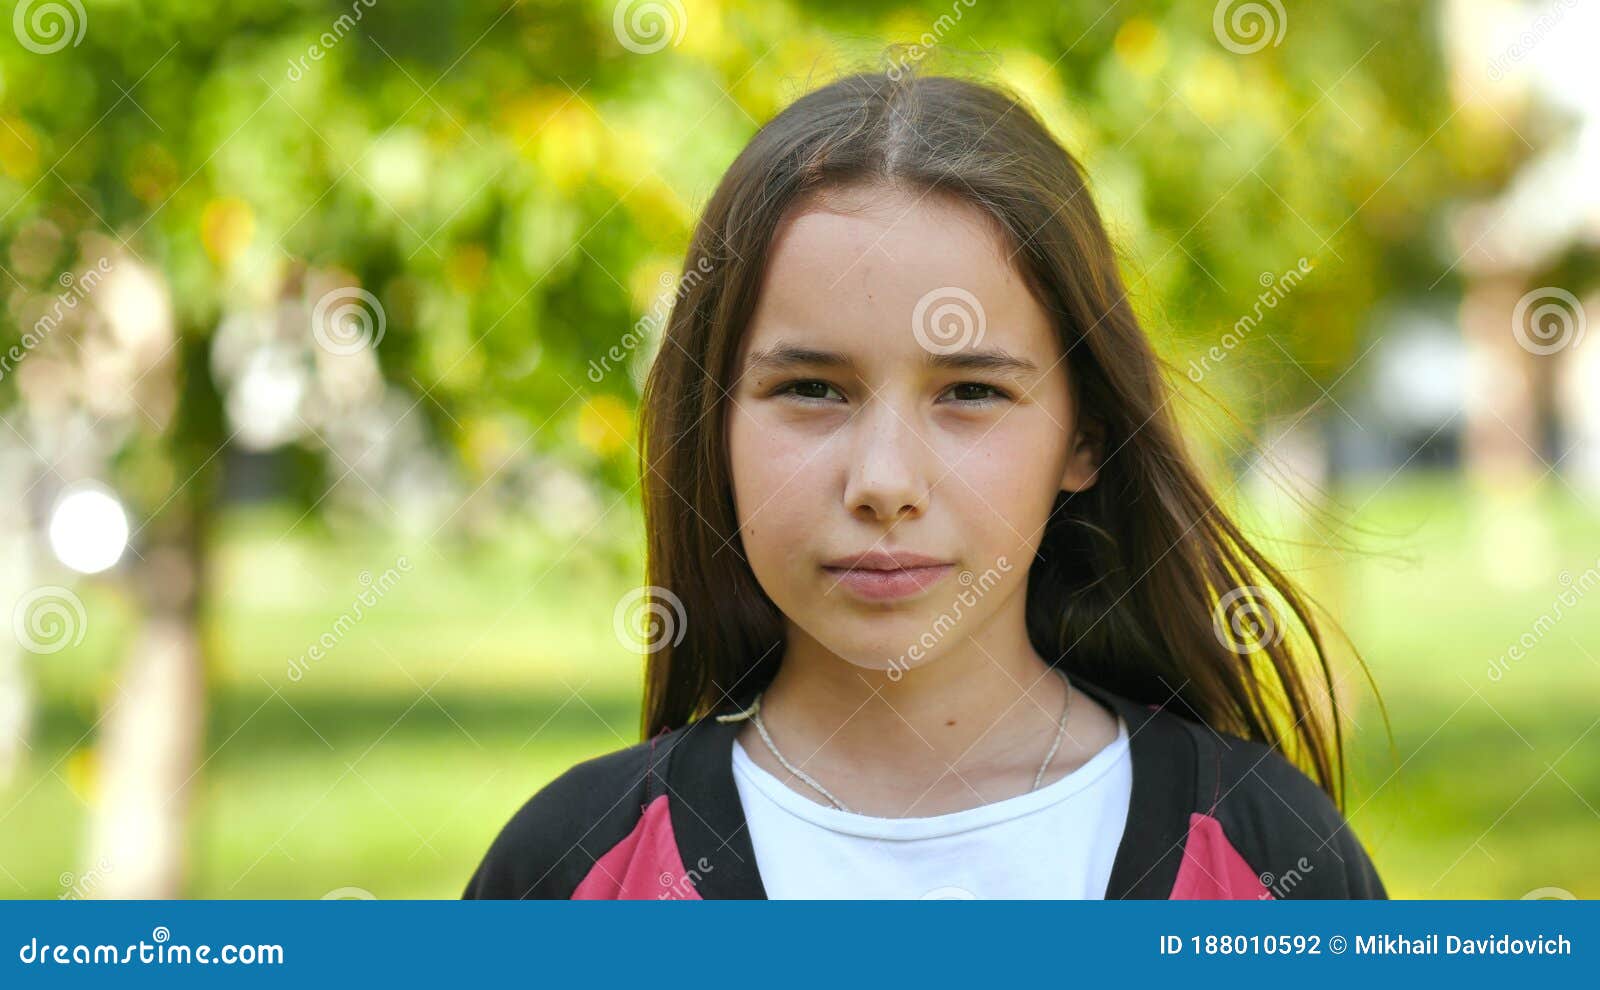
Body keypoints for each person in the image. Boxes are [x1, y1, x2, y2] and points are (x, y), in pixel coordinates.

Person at [463, 70, 1386, 900]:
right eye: (812, 390)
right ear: (715, 429)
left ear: (1085, 439)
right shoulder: (571, 871)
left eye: (972, 392)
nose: (884, 483)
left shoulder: (1268, 860)